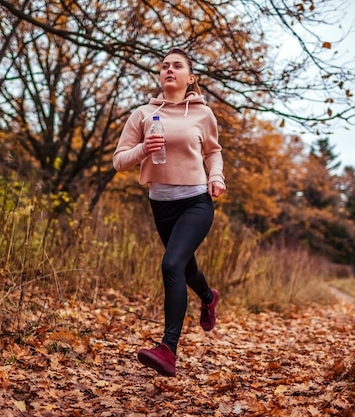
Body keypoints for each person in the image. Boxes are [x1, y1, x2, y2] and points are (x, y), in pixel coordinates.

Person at [113, 47, 226, 377]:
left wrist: (216, 177)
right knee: (186, 269)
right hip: (160, 204)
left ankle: (168, 348)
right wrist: (142, 149)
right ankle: (208, 297)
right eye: (164, 66)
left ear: (190, 78)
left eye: (177, 66)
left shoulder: (203, 114)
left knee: (172, 263)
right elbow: (119, 161)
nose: (169, 70)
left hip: (196, 201)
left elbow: (213, 153)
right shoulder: (144, 114)